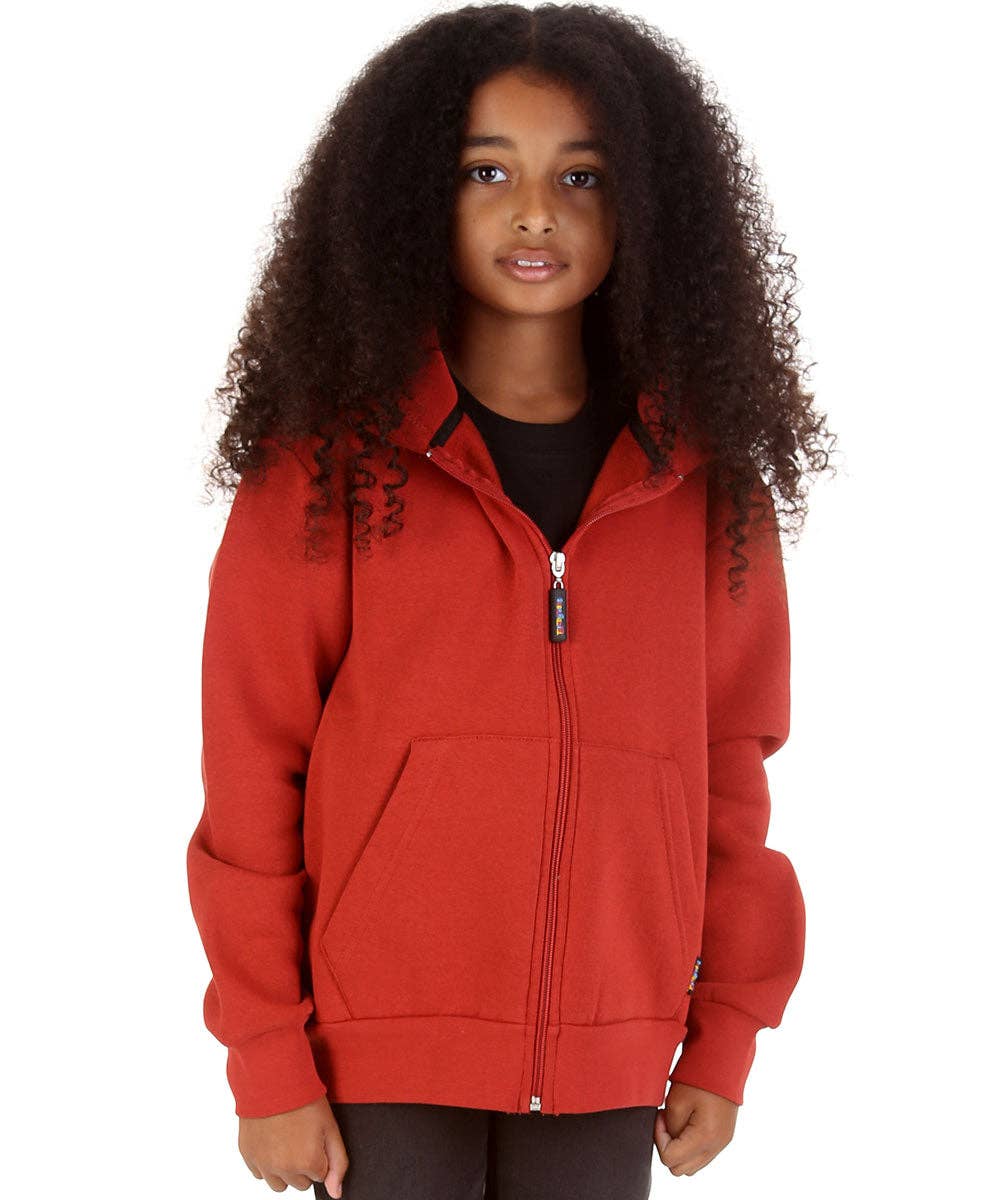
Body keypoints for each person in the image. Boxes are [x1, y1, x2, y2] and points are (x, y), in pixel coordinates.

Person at [186, 4, 836, 1197]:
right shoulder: (327, 468)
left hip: (612, 1049)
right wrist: (266, 1056)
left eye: (581, 176)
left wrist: (727, 1032)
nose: (535, 211)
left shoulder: (703, 484)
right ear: (407, 202)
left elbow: (730, 769)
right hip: (375, 1048)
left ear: (647, 209)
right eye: (485, 171)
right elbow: (250, 769)